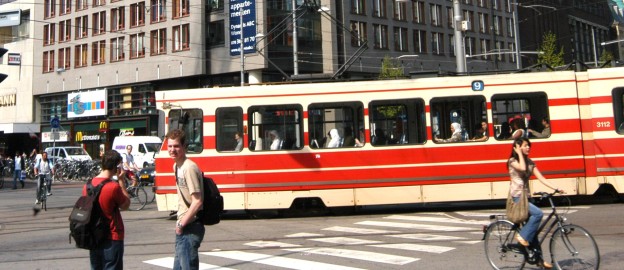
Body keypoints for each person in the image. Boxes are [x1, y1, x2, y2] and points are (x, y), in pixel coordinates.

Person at [508, 137, 563, 269]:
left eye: (529, 146)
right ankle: (521, 237)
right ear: (518, 147)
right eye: (526, 146)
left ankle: (538, 260)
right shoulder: (512, 161)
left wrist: (555, 188)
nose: (528, 148)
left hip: (526, 198)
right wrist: (520, 154)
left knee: (533, 231)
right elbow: (521, 168)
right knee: (538, 214)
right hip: (517, 198)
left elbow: (541, 177)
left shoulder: (530, 162)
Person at [166, 129, 205, 270]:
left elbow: (197, 201)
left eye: (176, 146)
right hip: (183, 227)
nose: (172, 150)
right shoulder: (176, 166)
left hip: (190, 227)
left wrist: (181, 225)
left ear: (184, 147)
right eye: (169, 146)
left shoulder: (189, 167)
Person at [87, 150, 130, 270]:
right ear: (116, 167)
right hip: (112, 237)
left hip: (94, 237)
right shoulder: (113, 187)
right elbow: (126, 205)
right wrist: (121, 181)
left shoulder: (88, 185)